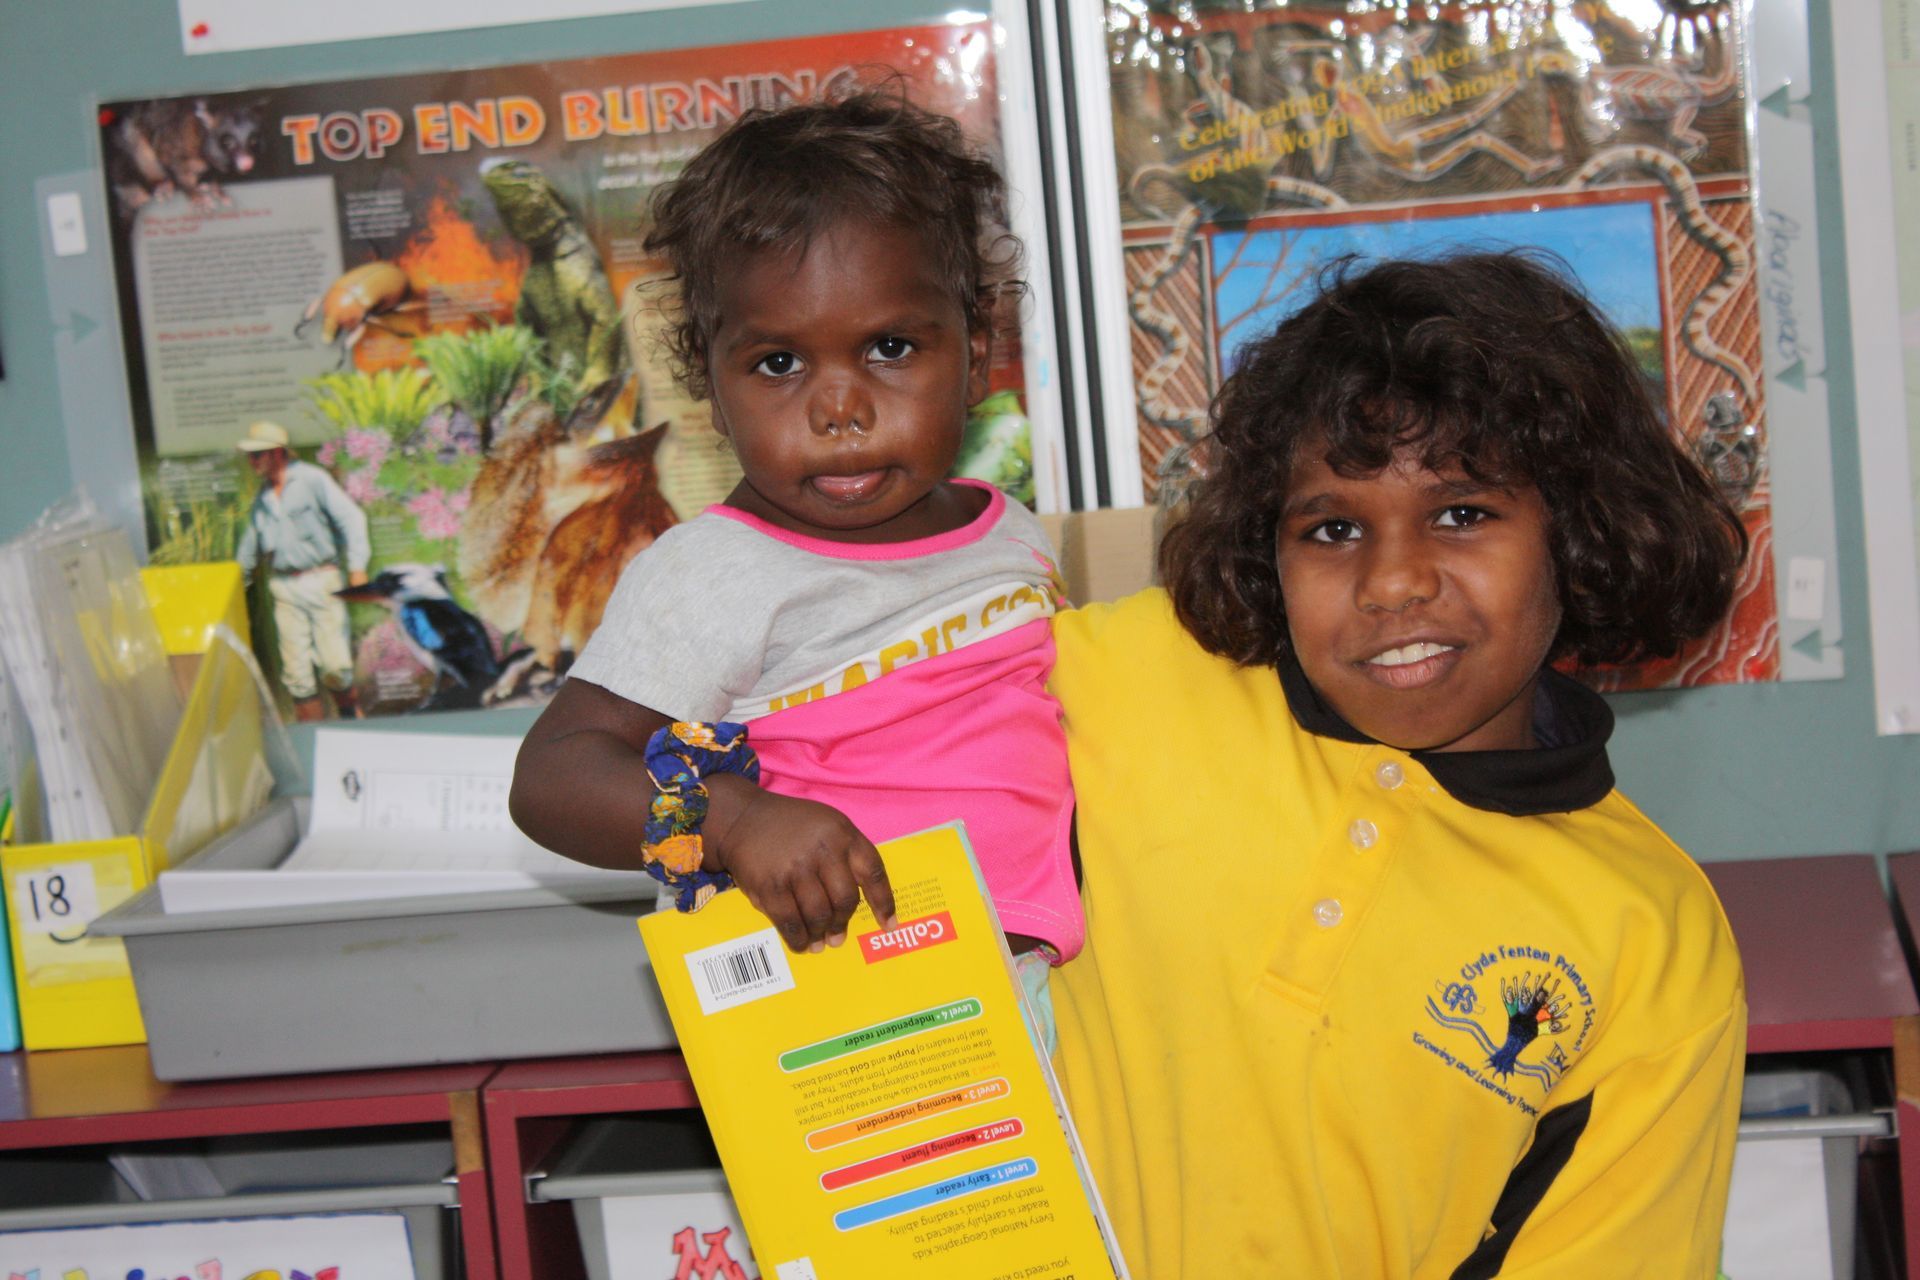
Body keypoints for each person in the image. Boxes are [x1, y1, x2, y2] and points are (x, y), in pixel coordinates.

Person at [1049, 252, 1749, 1276]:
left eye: (1463, 512)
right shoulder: (1118, 676)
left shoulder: (1651, 936)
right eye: (1333, 527)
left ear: (1577, 530)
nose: (1393, 582)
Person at [509, 93, 1080, 1005]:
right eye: (780, 364)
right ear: (709, 372)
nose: (838, 409)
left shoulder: (1006, 533)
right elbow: (552, 776)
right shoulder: (713, 574)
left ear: (975, 346)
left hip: (1037, 996)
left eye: (890, 347)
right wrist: (730, 819)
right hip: (854, 1016)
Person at [234, 419, 369, 722]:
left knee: (336, 667)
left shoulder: (312, 479)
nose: (252, 460)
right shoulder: (263, 499)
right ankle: (312, 738)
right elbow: (249, 549)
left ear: (277, 453)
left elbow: (352, 518)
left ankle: (352, 724)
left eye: (258, 454)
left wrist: (358, 568)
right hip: (284, 587)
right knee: (297, 676)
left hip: (322, 581)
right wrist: (233, 590)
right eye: (251, 455)